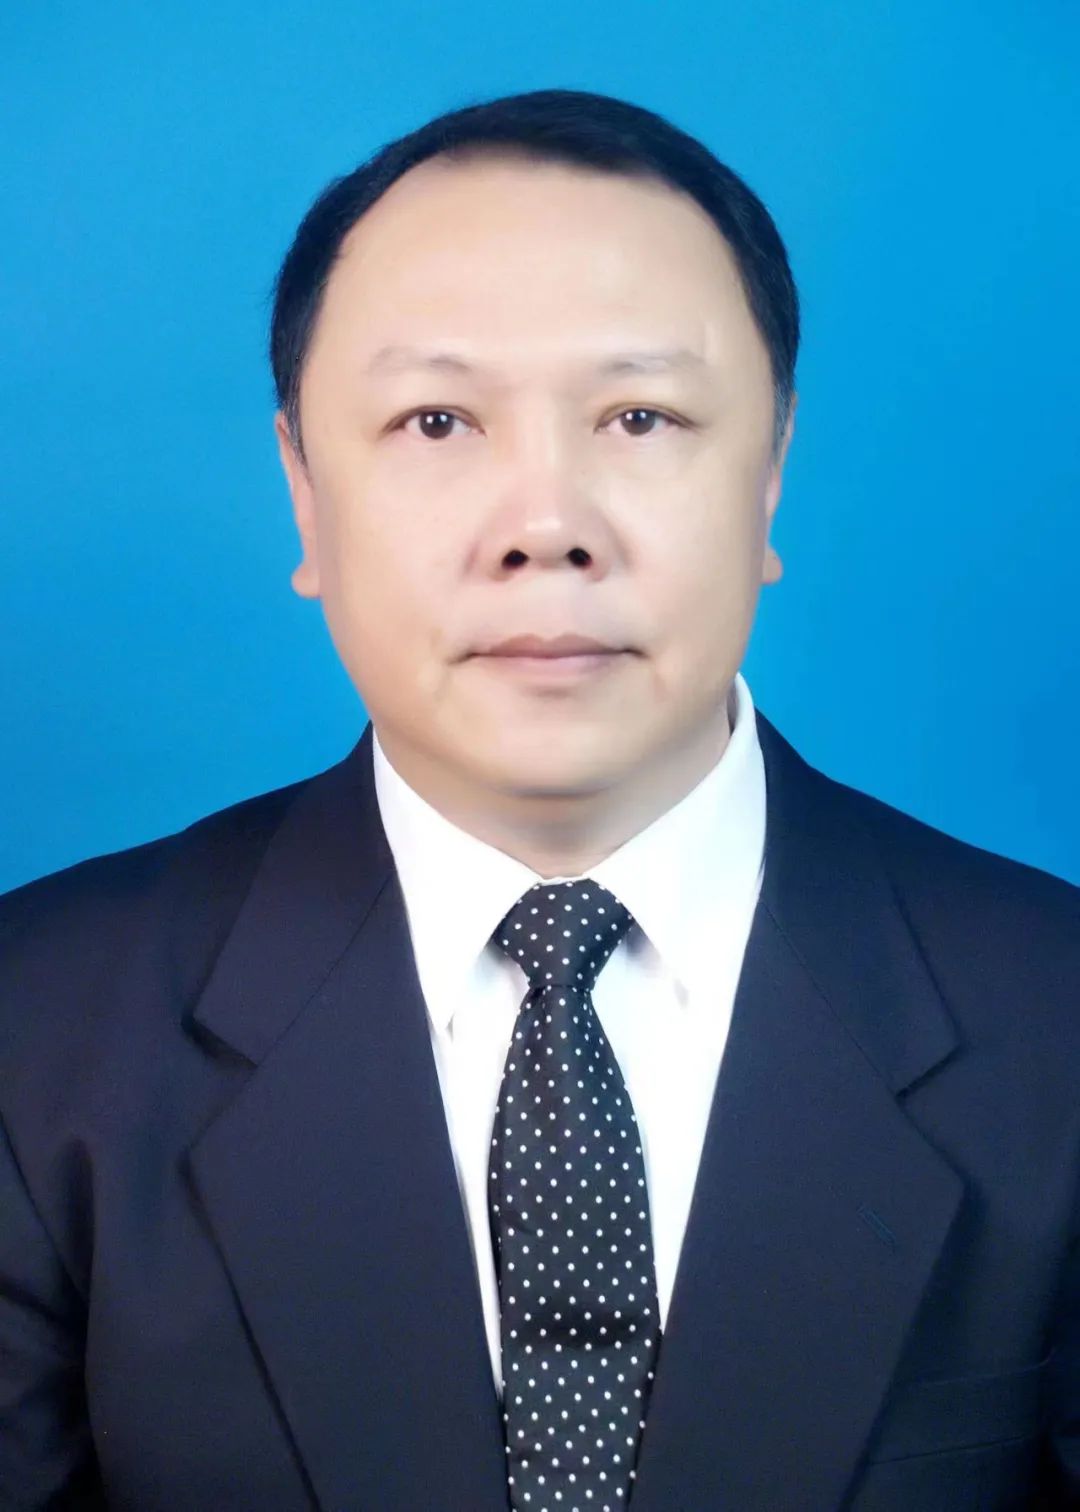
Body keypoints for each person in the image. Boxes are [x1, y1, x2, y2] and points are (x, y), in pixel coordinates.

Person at [0, 85, 1077, 1512]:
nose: (547, 526)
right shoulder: (35, 1030)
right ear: (305, 494)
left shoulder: (1055, 1017)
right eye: (437, 420)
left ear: (770, 476)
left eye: (640, 415)